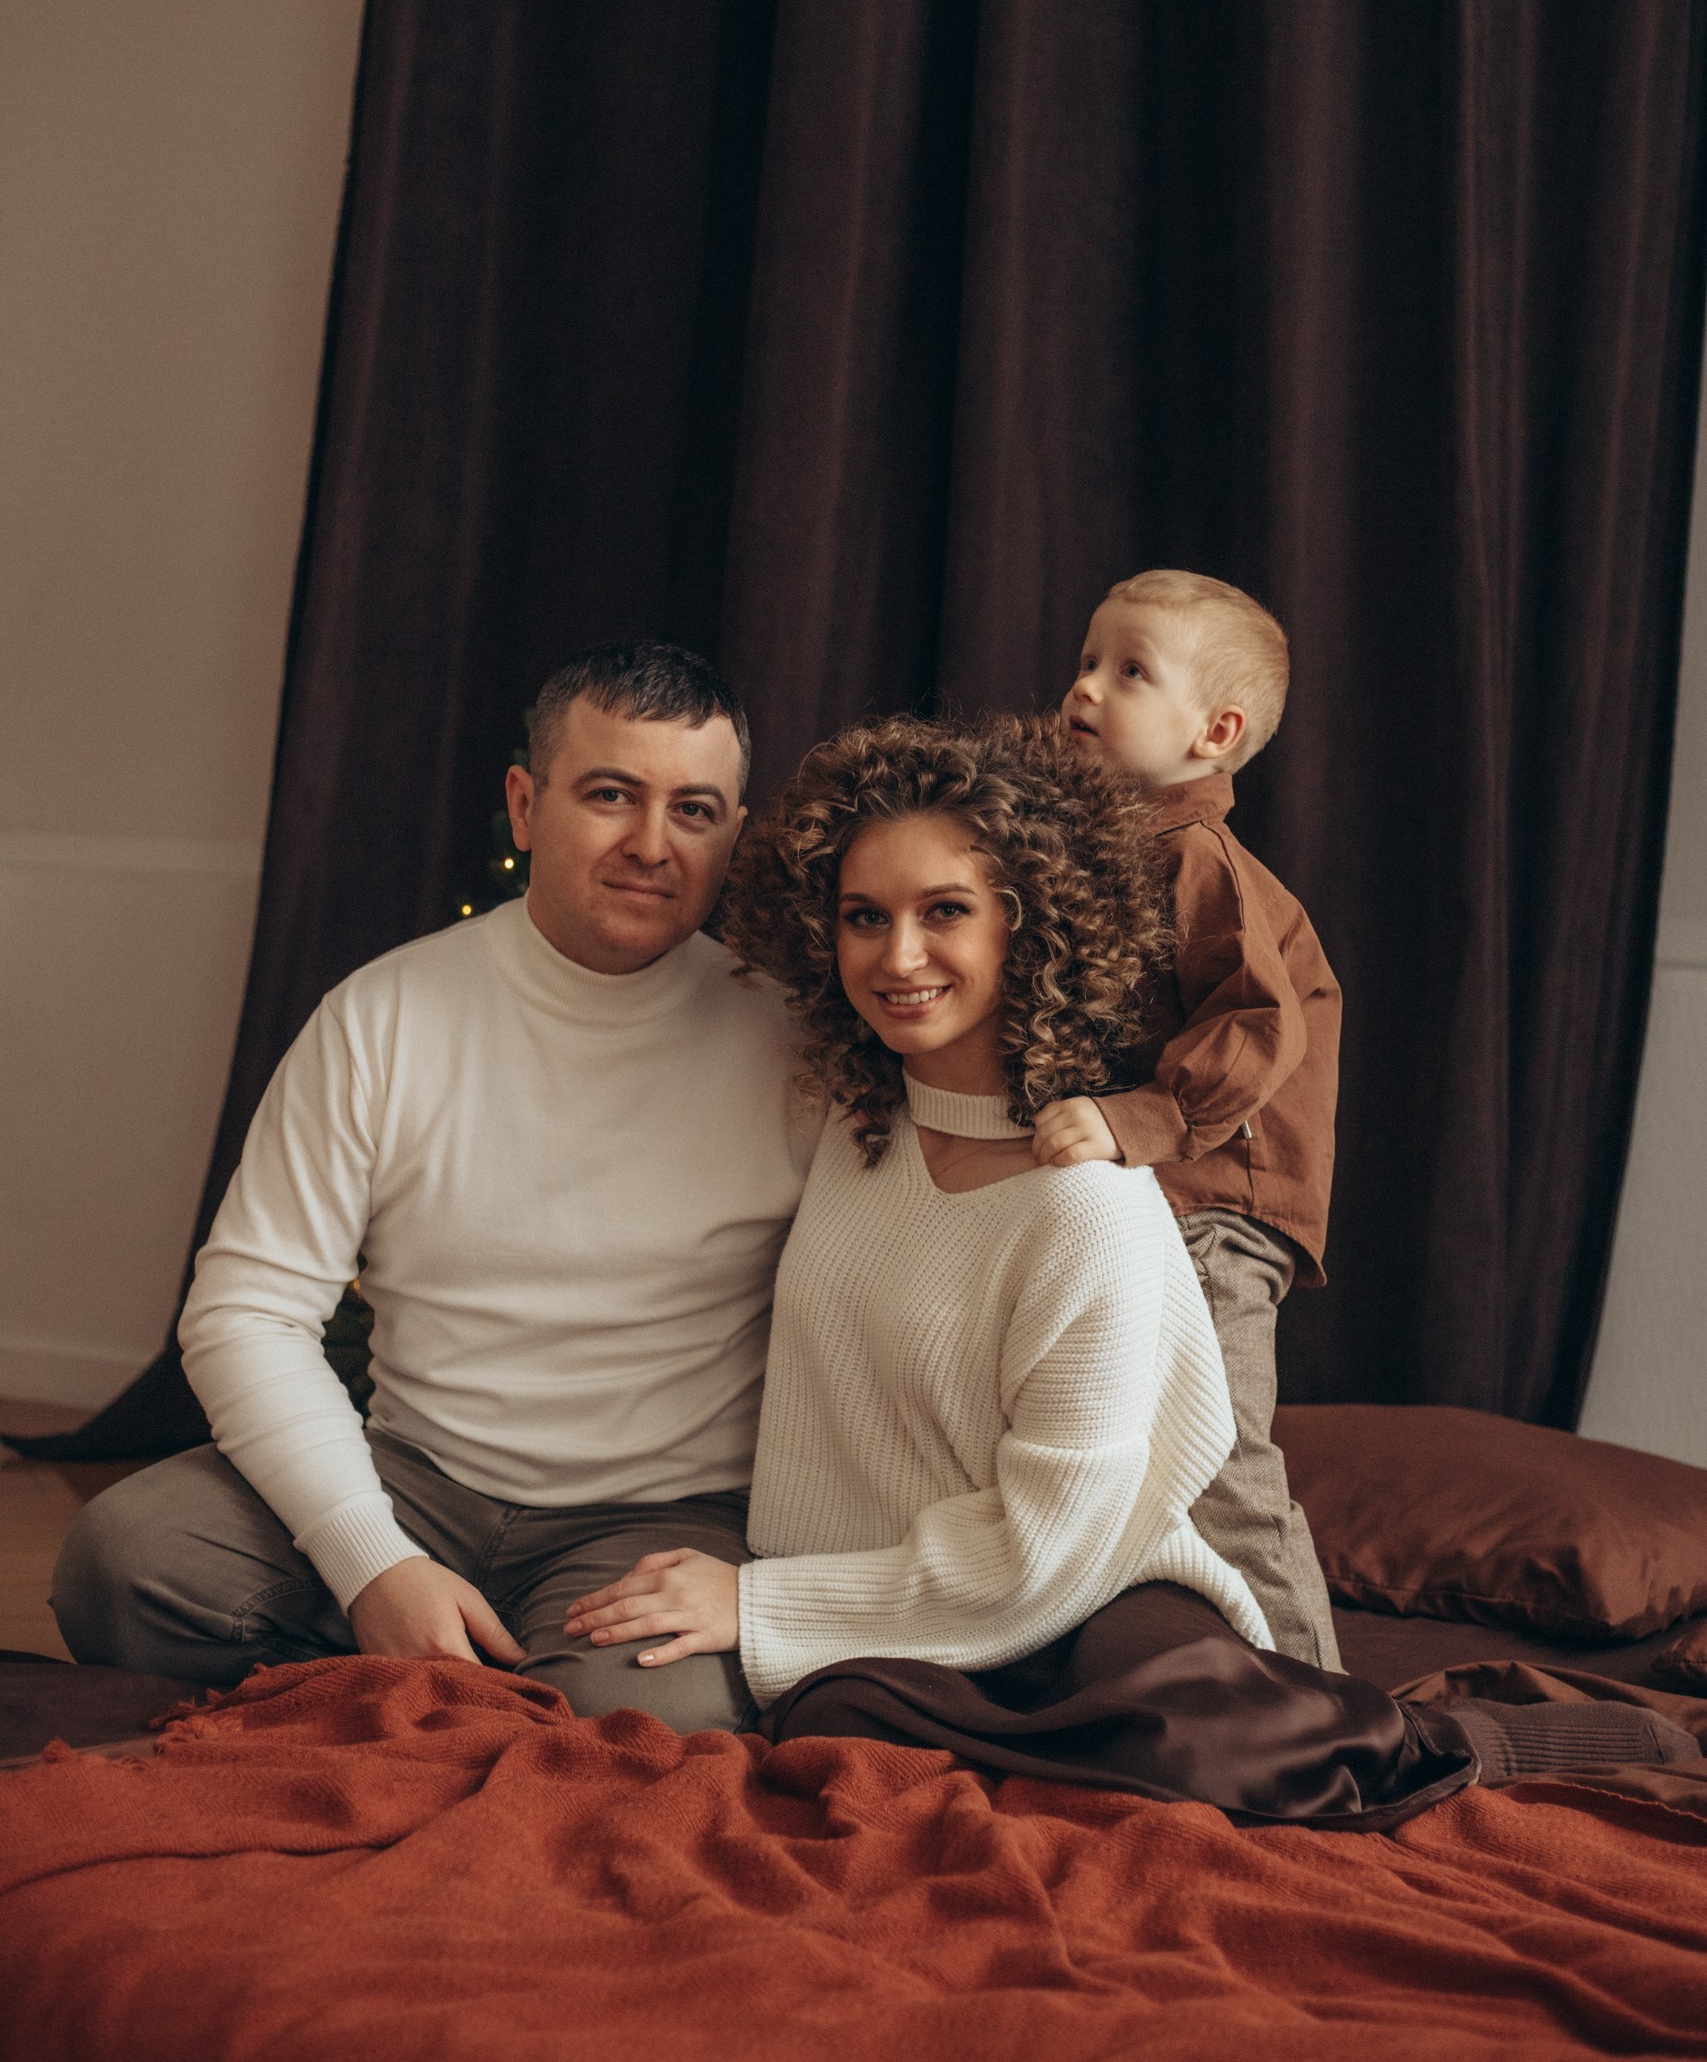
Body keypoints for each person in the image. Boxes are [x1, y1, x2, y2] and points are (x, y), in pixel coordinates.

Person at [561, 714, 1699, 1821]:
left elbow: (1050, 1543)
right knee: (839, 1717)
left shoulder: (1088, 1203)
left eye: (945, 911)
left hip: (1082, 1592)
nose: (898, 957)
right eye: (865, 916)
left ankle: (1470, 1739)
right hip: (895, 1600)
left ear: (1030, 926)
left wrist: (762, 1600)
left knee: (1198, 1743)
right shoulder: (849, 1133)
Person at [51, 643, 817, 1733]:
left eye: (692, 810)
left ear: (733, 832)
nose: (652, 844)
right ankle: (452, 1676)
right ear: (526, 805)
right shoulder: (383, 1016)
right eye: (610, 795)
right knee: (122, 1561)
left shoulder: (797, 1045)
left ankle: (416, 1699)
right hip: (414, 1478)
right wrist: (372, 1561)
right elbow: (247, 1312)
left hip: (655, 1521)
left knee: (657, 1719)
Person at [1045, 568, 1343, 1667]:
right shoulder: (1105, 848)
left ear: (1213, 734)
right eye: (1086, 660)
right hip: (1157, 1198)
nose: (1086, 687)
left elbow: (1259, 1025)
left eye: (1130, 671)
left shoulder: (1196, 859)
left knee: (1218, 1461)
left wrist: (1142, 1118)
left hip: (1220, 1207)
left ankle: (1331, 1702)